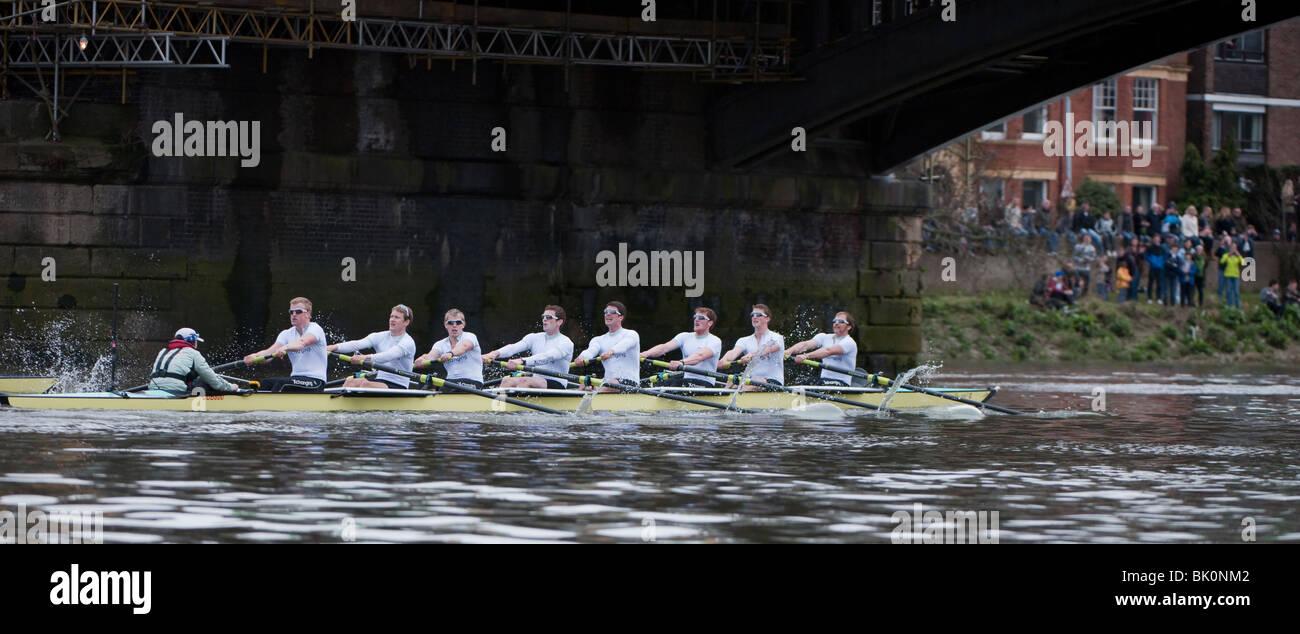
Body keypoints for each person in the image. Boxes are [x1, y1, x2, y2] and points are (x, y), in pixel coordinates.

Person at [244, 297, 328, 392]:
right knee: (265, 383)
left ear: (308, 314)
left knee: (282, 384)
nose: (294, 315)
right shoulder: (286, 334)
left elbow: (302, 343)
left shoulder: (315, 329)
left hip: (315, 381)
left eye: (298, 311)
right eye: (291, 312)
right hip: (296, 379)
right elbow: (269, 354)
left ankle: (271, 406)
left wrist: (285, 347)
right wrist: (254, 357)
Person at [483, 305, 575, 389]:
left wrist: (522, 361)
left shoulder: (566, 342)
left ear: (559, 322)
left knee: (525, 380)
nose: (544, 319)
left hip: (557, 383)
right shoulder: (534, 337)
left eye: (549, 317)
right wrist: (494, 354)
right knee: (506, 380)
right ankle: (499, 405)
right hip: (537, 382)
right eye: (543, 317)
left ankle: (518, 406)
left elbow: (548, 356)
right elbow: (513, 347)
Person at [327, 304, 417, 389]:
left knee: (365, 385)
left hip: (398, 384)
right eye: (391, 316)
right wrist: (333, 347)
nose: (392, 319)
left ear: (406, 322)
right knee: (350, 382)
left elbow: (388, 356)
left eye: (396, 317)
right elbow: (357, 344)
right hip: (380, 380)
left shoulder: (408, 342)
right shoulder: (380, 336)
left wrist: (364, 357)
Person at [148, 328, 245, 396]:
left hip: (152, 388)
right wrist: (231, 388)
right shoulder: (193, 353)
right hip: (176, 390)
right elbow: (212, 379)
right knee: (205, 382)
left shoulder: (163, 351)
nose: (197, 344)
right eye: (196, 341)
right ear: (192, 341)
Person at [640, 307, 723, 387]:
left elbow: (699, 356)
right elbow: (664, 348)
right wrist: (645, 354)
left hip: (705, 382)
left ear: (710, 323)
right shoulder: (684, 336)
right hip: (686, 381)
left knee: (675, 385)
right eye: (695, 317)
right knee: (662, 384)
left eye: (701, 317)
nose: (696, 319)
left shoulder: (715, 341)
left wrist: (681, 362)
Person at [574, 301, 641, 392]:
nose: (607, 314)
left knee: (610, 383)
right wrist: (582, 357)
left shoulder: (631, 334)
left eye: (612, 312)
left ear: (621, 317)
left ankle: (595, 395)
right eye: (606, 311)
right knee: (583, 385)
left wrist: (611, 351)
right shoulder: (598, 340)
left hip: (629, 383)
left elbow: (624, 345)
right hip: (609, 382)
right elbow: (590, 351)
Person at [719, 304, 785, 390]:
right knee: (731, 381)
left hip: (774, 382)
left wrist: (751, 354)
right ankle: (723, 398)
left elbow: (766, 350)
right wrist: (724, 360)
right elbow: (733, 352)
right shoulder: (744, 340)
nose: (754, 317)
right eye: (752, 315)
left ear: (767, 319)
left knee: (752, 383)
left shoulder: (776, 338)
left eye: (759, 315)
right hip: (752, 381)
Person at [785, 311, 860, 387]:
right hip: (824, 381)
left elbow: (828, 351)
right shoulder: (824, 337)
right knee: (801, 382)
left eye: (841, 321)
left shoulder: (849, 342)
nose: (836, 323)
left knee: (815, 384)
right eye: (834, 321)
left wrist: (806, 356)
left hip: (842, 383)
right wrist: (789, 351)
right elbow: (805, 345)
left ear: (849, 327)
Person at [416, 308, 483, 390]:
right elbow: (431, 356)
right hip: (451, 382)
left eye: (458, 323)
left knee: (446, 387)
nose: (454, 325)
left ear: (463, 325)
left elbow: (464, 347)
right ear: (445, 325)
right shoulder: (440, 344)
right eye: (450, 323)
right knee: (424, 382)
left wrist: (451, 353)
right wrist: (422, 360)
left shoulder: (470, 337)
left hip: (473, 383)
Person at [1072, 233, 1097, 297]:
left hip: (1086, 269)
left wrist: (1089, 260)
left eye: (1088, 238)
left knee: (1086, 284)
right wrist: (1080, 260)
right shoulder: (1078, 246)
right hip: (1078, 268)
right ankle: (1074, 296)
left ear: (1091, 240)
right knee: (1076, 282)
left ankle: (1084, 297)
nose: (1087, 240)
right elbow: (1074, 256)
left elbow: (1094, 258)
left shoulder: (1092, 248)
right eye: (1086, 238)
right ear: (1083, 239)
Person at [1220, 241, 1244, 309]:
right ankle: (1229, 306)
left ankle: (1237, 307)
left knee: (1236, 291)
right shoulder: (1226, 255)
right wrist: (1229, 254)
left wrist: (1238, 255)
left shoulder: (1237, 256)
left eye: (1234, 248)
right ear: (1230, 248)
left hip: (1236, 276)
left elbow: (1243, 262)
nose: (1233, 249)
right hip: (1228, 275)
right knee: (1229, 291)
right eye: (1232, 247)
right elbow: (1222, 261)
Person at [1144, 235, 1166, 304]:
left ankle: (1159, 298)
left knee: (1159, 283)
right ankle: (1149, 298)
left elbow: (1165, 257)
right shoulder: (1150, 248)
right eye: (1155, 238)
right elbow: (1146, 256)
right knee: (1150, 283)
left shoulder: (1162, 248)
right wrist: (1152, 261)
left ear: (1159, 240)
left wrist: (1161, 263)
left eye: (1157, 238)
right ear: (1153, 240)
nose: (1156, 240)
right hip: (1152, 268)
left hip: (1160, 268)